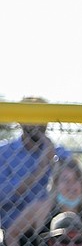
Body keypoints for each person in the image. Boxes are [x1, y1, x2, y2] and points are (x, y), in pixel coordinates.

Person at [0, 98, 71, 229]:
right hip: (13, 229)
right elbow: (4, 195)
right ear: (20, 120)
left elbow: (72, 193)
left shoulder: (60, 153)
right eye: (31, 116)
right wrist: (41, 169)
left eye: (42, 117)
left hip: (54, 230)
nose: (37, 123)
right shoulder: (4, 152)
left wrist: (54, 163)